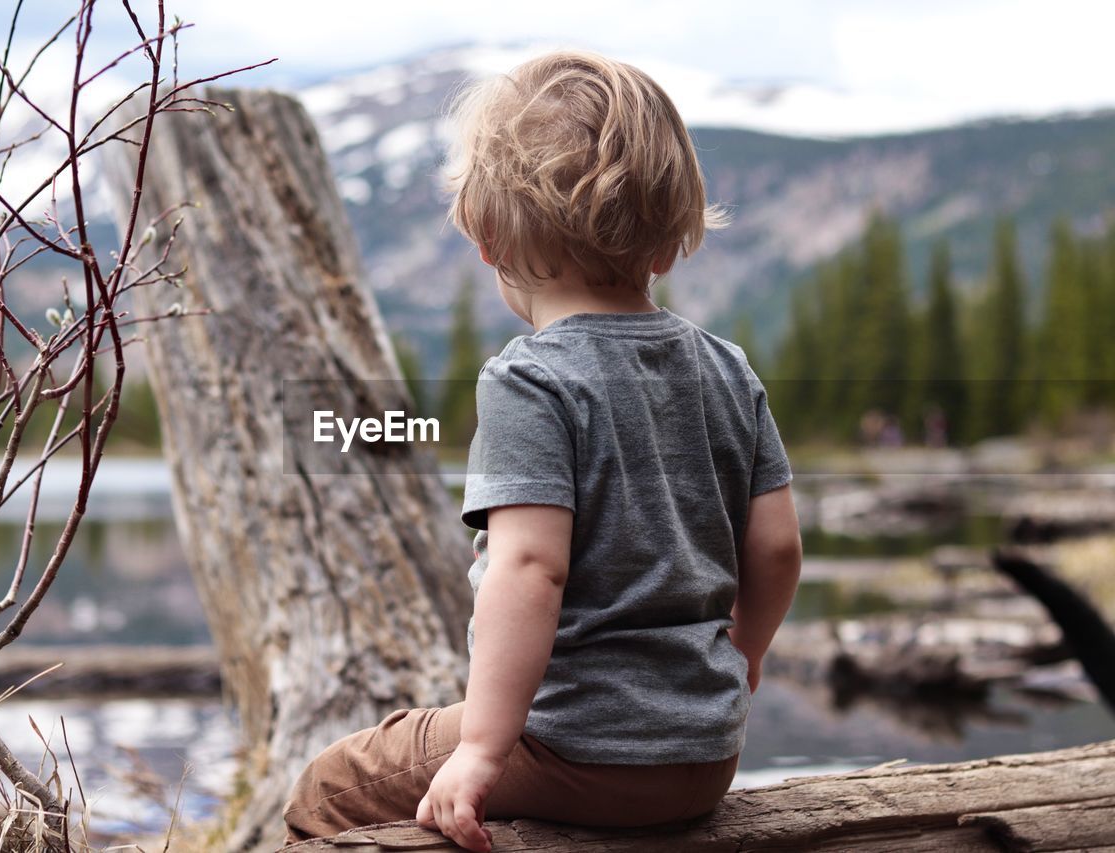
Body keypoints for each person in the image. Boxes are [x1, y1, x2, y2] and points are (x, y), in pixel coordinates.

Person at [281, 48, 802, 851]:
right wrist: (744, 659)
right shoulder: (727, 367)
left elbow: (530, 569)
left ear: (488, 238)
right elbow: (776, 547)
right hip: (709, 755)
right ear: (670, 238)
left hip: (579, 749)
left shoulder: (532, 378)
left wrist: (482, 749)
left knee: (333, 785)